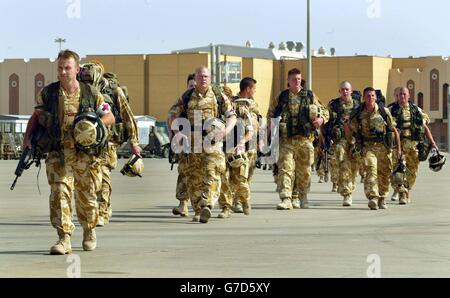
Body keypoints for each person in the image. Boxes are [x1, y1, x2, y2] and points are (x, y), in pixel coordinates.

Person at [23, 50, 115, 254]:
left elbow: (110, 117)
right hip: (58, 152)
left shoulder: (91, 93)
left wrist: (95, 124)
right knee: (59, 193)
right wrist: (27, 138)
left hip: (85, 155)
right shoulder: (49, 93)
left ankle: (89, 230)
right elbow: (36, 116)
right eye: (60, 68)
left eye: (67, 68)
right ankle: (64, 238)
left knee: (87, 196)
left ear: (77, 69)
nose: (63, 72)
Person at [168, 66, 236, 223]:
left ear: (210, 78)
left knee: (213, 171)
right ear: (196, 78)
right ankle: (198, 210)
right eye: (200, 76)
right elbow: (172, 114)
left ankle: (208, 204)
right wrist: (177, 132)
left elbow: (232, 116)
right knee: (194, 177)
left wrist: (225, 130)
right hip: (192, 143)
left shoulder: (219, 96)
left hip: (213, 141)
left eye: (206, 76)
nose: (203, 79)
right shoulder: (186, 97)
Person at [79, 62, 140, 226]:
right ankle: (94, 209)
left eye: (88, 78)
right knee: (91, 178)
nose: (86, 81)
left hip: (109, 142)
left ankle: (103, 212)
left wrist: (134, 142)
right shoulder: (79, 91)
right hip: (86, 142)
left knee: (104, 175)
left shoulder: (113, 91)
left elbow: (128, 116)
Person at [267, 68, 329, 210]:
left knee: (304, 170)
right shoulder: (282, 96)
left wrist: (321, 120)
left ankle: (302, 196)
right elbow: (270, 114)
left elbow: (325, 111)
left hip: (305, 139)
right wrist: (267, 136)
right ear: (288, 81)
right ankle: (286, 198)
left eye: (299, 79)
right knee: (285, 168)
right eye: (294, 79)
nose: (297, 82)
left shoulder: (310, 96)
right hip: (286, 140)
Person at [346, 87, 401, 210]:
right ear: (363, 98)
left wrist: (398, 149)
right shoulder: (358, 113)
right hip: (367, 147)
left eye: (372, 96)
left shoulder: (384, 111)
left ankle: (382, 197)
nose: (370, 98)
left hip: (383, 148)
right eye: (367, 96)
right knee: (370, 170)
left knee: (384, 174)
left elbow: (394, 130)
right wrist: (351, 143)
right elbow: (349, 127)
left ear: (375, 97)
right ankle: (373, 197)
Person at [389, 87, 438, 204]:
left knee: (412, 172)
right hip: (398, 147)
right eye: (400, 94)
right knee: (399, 170)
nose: (402, 96)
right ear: (397, 96)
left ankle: (406, 190)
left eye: (404, 94)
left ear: (408, 95)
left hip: (414, 146)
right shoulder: (391, 110)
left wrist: (433, 143)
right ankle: (402, 194)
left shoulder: (416, 110)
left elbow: (424, 126)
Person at [327, 81, 361, 206]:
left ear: (351, 91)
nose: (345, 91)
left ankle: (349, 185)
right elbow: (327, 120)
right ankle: (347, 194)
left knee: (353, 168)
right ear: (339, 91)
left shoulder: (358, 105)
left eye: (347, 89)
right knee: (343, 163)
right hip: (340, 140)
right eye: (342, 89)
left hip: (355, 141)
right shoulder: (334, 105)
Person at [170, 73, 195, 217]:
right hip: (184, 141)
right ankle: (183, 204)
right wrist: (176, 134)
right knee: (184, 172)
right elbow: (171, 117)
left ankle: (202, 203)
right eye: (190, 85)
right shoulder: (183, 99)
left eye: (194, 85)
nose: (193, 88)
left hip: (202, 142)